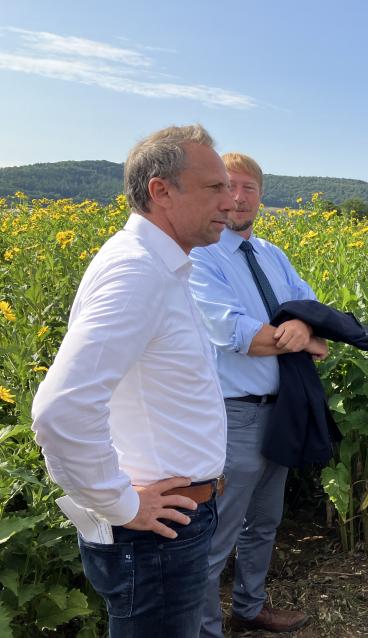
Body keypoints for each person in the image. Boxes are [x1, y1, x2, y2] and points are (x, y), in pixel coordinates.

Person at [31, 124, 233, 636]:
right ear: (161, 191)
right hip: (154, 534)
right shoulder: (137, 272)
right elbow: (61, 410)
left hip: (168, 522)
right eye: (214, 187)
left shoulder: (161, 268)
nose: (230, 201)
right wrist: (121, 504)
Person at [189, 152, 326, 636]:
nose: (238, 197)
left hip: (281, 409)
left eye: (249, 188)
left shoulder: (272, 253)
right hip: (234, 415)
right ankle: (207, 630)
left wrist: (308, 326)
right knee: (216, 535)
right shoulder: (201, 256)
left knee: (265, 522)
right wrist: (304, 337)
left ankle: (249, 608)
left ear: (260, 196)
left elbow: (312, 307)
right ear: (215, 193)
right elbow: (235, 334)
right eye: (228, 186)